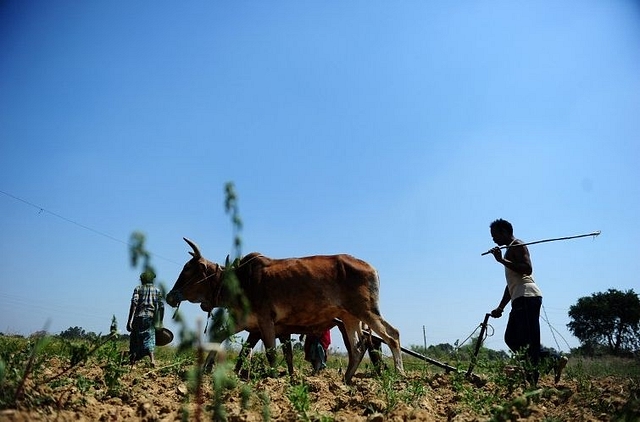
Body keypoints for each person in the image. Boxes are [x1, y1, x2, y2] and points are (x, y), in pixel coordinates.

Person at [487, 219, 568, 385]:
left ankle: (532, 379)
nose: (493, 239)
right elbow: (511, 283)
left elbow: (527, 268)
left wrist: (501, 260)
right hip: (519, 296)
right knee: (511, 338)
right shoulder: (510, 249)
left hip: (527, 296)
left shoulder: (518, 245)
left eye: (495, 235)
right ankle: (553, 359)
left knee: (528, 341)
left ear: (504, 232)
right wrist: (501, 307)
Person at [126, 270, 164, 367]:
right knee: (150, 338)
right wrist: (160, 321)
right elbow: (161, 307)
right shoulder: (157, 291)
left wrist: (129, 321)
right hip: (150, 317)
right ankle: (152, 360)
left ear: (142, 279)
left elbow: (134, 303)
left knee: (134, 339)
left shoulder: (138, 289)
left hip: (138, 317)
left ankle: (133, 363)